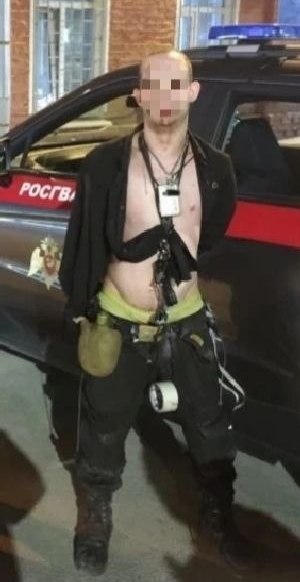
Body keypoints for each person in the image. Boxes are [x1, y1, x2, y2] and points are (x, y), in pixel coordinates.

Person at [59, 49, 251, 576]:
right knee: (103, 427)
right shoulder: (106, 164)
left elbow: (209, 235)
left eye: (175, 85)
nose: (165, 97)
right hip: (118, 318)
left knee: (210, 425)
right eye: (154, 85)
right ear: (139, 95)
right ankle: (95, 518)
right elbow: (84, 239)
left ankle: (219, 516)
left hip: (185, 320)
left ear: (193, 92)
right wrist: (81, 308)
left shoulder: (216, 169)